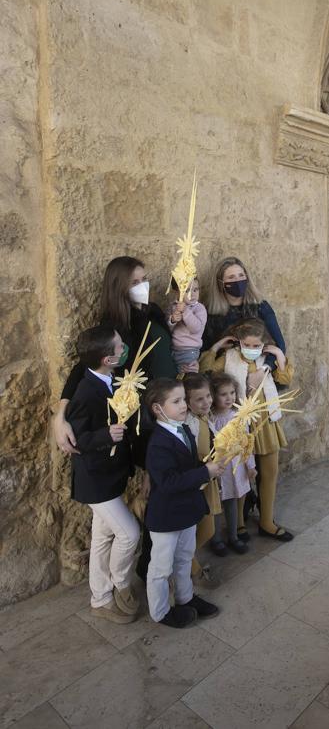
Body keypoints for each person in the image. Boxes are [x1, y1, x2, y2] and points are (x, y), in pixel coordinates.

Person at [52, 256, 178, 456]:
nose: (143, 286)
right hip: (149, 408)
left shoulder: (152, 310)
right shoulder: (114, 327)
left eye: (144, 279)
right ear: (119, 287)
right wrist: (60, 415)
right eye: (134, 283)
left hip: (174, 396)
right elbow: (84, 366)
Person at [66, 326, 139, 624]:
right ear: (108, 359)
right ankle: (120, 582)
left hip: (110, 475)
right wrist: (105, 435)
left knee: (103, 536)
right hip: (95, 479)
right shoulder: (85, 391)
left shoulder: (112, 379)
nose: (125, 349)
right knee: (129, 533)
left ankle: (100, 596)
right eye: (120, 347)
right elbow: (76, 441)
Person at [200, 317, 294, 542]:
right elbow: (205, 370)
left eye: (256, 346)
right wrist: (216, 347)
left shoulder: (266, 359)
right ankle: (239, 524)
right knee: (239, 473)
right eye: (247, 345)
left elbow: (285, 378)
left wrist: (279, 355)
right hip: (238, 425)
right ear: (239, 342)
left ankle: (267, 521)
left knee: (269, 473)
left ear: (264, 344)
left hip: (266, 422)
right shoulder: (228, 358)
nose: (252, 350)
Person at [144, 378, 225, 629]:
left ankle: (186, 598)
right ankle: (160, 612)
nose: (183, 405)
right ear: (158, 409)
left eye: (183, 400)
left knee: (184, 557)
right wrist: (204, 473)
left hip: (187, 509)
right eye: (176, 401)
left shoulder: (184, 430)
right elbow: (168, 482)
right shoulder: (158, 442)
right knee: (160, 567)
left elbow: (187, 468)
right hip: (167, 516)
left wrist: (207, 468)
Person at [202, 256, 286, 373]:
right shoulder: (210, 313)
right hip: (225, 378)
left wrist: (265, 369)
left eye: (241, 275)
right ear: (221, 283)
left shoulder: (261, 307)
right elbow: (204, 349)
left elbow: (279, 344)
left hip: (260, 370)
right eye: (231, 277)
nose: (237, 281)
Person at [208, 371, 256, 555]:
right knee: (217, 503)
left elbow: (246, 443)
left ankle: (233, 535)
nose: (229, 398)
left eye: (232, 393)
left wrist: (250, 465)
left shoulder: (239, 417)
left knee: (233, 500)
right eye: (223, 394)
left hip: (236, 467)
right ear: (214, 396)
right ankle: (216, 538)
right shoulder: (211, 418)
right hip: (219, 467)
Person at [183, 373, 221, 588]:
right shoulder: (190, 424)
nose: (206, 401)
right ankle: (191, 565)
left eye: (208, 396)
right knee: (206, 528)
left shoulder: (207, 417)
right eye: (199, 399)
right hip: (200, 481)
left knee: (209, 529)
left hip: (210, 478)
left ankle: (188, 561)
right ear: (188, 403)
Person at [167, 277, 207, 372]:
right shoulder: (173, 306)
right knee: (176, 375)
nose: (192, 294)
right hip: (173, 349)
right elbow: (168, 330)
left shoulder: (199, 308)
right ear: (177, 292)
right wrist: (172, 320)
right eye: (187, 290)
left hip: (189, 351)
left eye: (195, 290)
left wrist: (185, 311)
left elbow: (196, 328)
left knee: (188, 375)